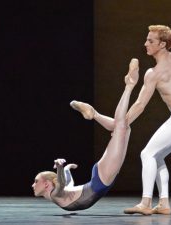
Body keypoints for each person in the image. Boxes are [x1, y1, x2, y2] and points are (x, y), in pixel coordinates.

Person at [71, 24, 171, 215]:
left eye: (150, 41)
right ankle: (164, 204)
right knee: (157, 156)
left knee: (146, 154)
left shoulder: (153, 73)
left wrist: (122, 123)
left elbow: (140, 105)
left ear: (162, 44)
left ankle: (145, 203)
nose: (145, 43)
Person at [31, 58, 139, 211]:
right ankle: (93, 114)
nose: (33, 184)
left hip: (100, 181)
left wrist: (61, 169)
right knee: (123, 128)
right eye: (35, 181)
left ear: (47, 184)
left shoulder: (55, 194)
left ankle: (129, 85)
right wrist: (66, 169)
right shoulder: (58, 194)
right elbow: (67, 183)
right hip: (99, 180)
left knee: (121, 127)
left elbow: (61, 183)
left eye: (36, 181)